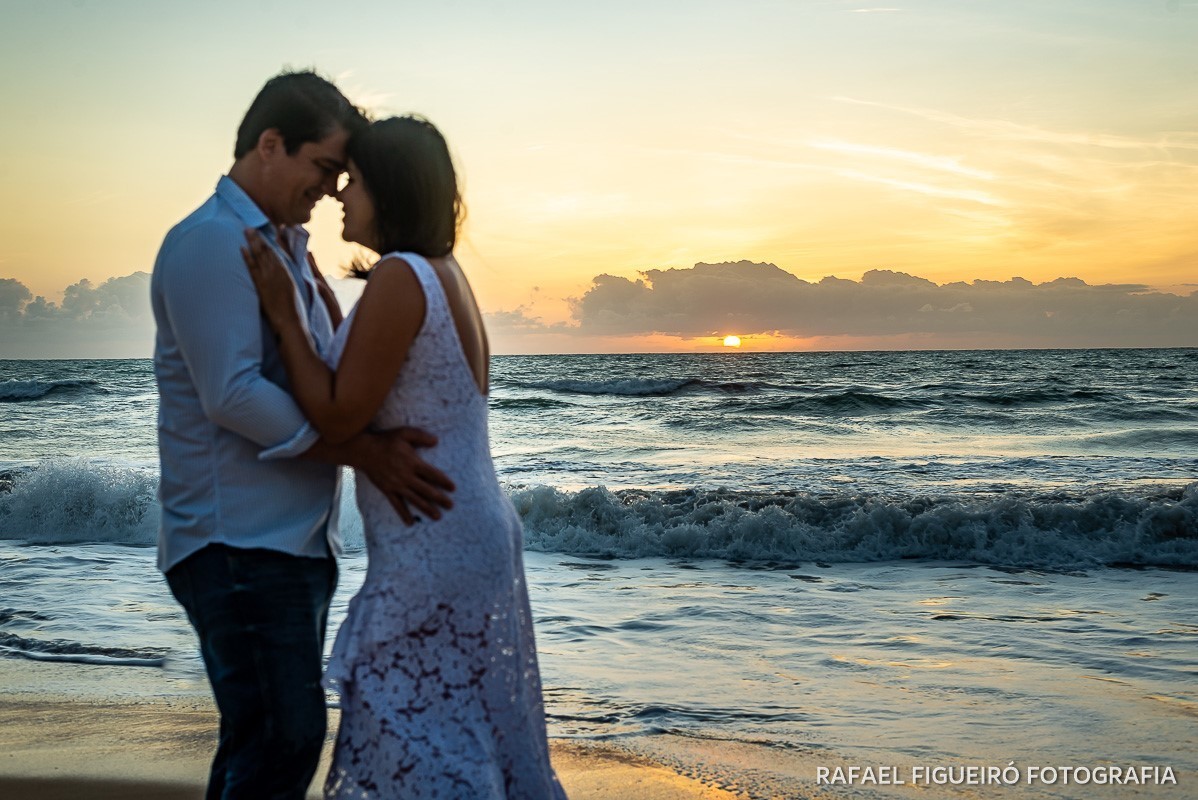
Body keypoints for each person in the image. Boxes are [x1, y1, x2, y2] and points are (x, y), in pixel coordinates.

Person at [241, 115, 567, 799]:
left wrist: (282, 314)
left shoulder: (401, 276)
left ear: (388, 188)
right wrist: (322, 311)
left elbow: (336, 411)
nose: (339, 196)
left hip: (436, 537)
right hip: (467, 528)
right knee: (457, 726)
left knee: (412, 735)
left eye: (353, 181)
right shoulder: (440, 273)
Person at [150, 72, 455, 800]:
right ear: (270, 145)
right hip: (235, 540)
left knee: (265, 738)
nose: (332, 188)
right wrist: (365, 454)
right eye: (325, 167)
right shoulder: (209, 243)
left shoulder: (283, 248)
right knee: (285, 737)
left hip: (292, 542)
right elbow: (233, 394)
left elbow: (318, 375)